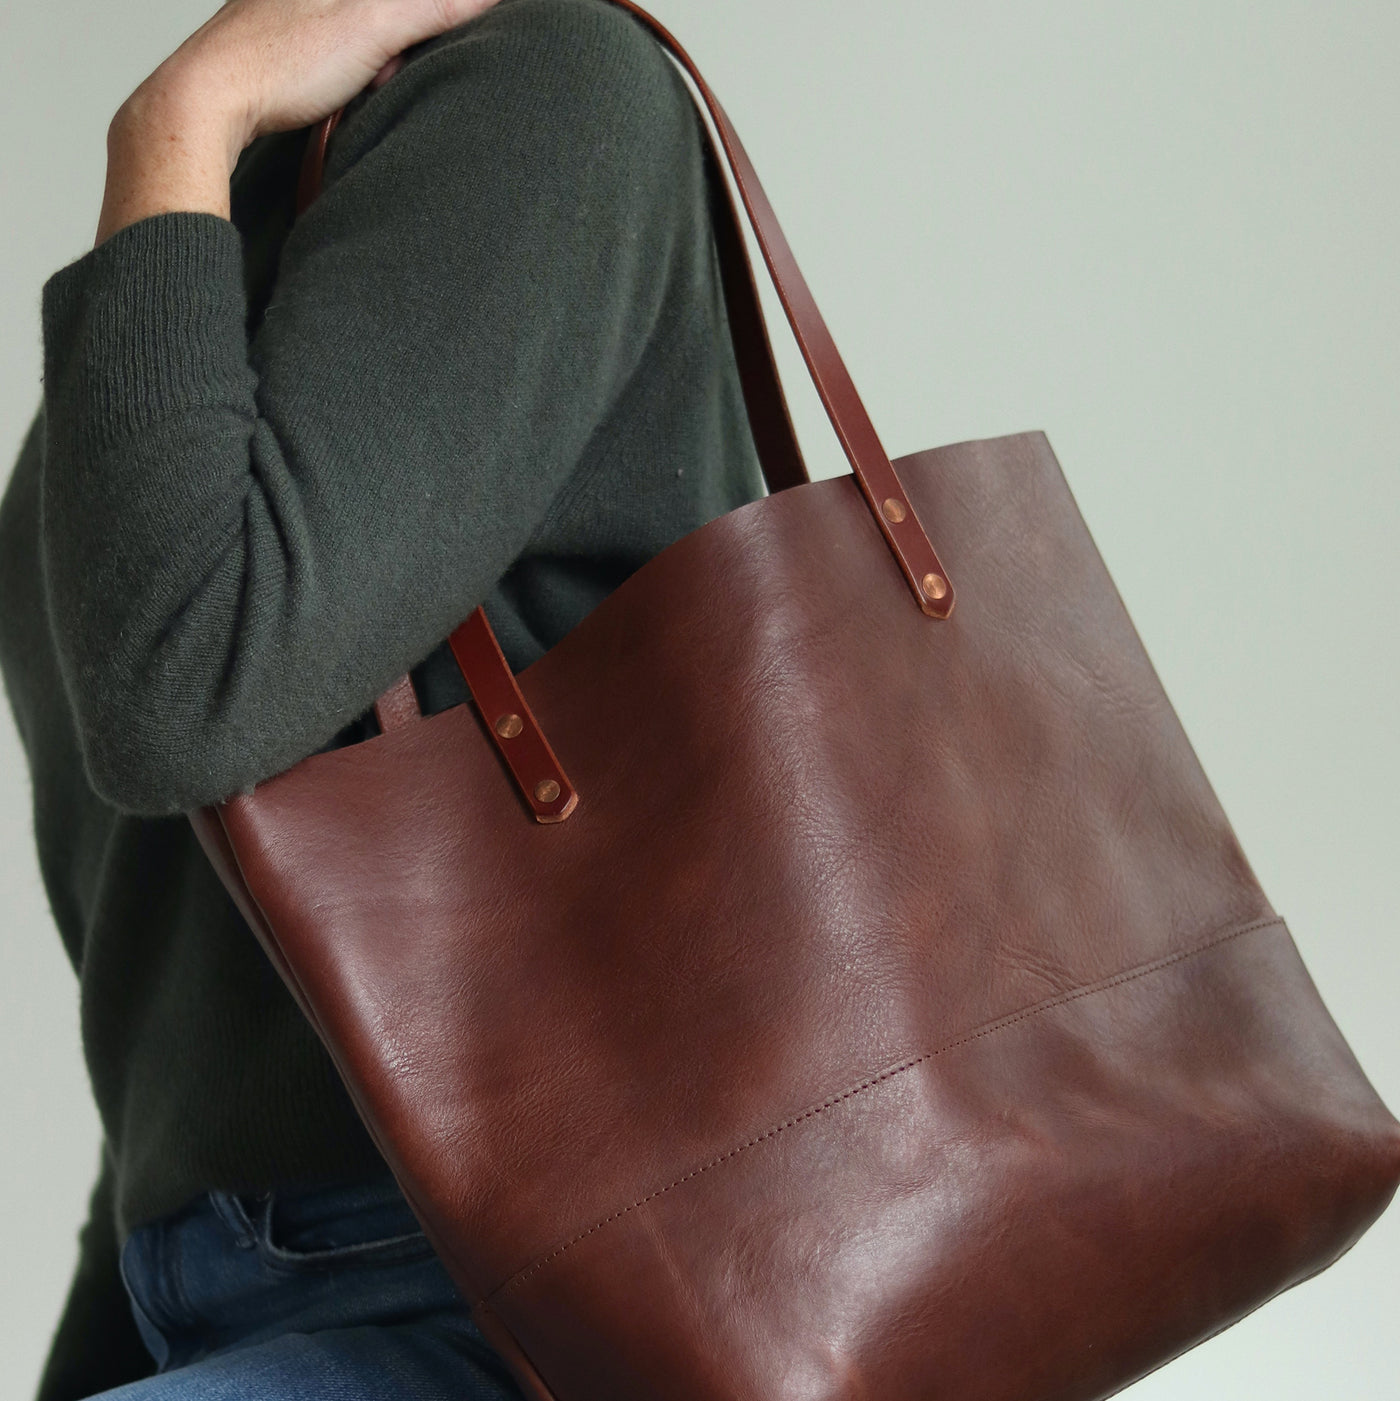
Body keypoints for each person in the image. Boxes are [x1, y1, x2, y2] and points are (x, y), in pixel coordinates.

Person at [0, 0, 767, 1394]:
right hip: (211, 1303)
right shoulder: (205, 237)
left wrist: (172, 118)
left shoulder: (543, 87)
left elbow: (184, 682)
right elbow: (185, 1014)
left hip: (530, 1305)